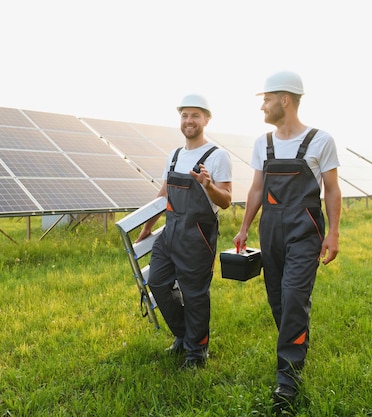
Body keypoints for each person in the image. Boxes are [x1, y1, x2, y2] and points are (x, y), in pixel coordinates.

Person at [232, 71, 341, 407]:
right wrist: (244, 227)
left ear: (285, 99)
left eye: (266, 99)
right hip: (271, 230)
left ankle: (288, 381)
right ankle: (297, 340)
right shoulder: (262, 143)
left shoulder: (321, 140)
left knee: (294, 298)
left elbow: (332, 190)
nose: (262, 106)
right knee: (278, 300)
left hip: (305, 231)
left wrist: (334, 232)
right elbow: (256, 189)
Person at [136, 94, 232, 369]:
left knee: (194, 294)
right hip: (171, 231)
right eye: (184, 115)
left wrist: (209, 185)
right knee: (156, 282)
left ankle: (196, 352)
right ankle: (184, 335)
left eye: (195, 115)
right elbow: (164, 193)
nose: (189, 121)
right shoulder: (175, 155)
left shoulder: (218, 156)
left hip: (197, 235)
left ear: (206, 119)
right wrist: (148, 227)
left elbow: (225, 200)